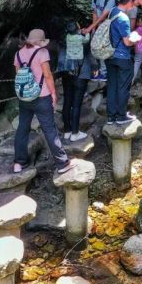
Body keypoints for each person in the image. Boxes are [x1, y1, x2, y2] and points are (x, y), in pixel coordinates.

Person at [13, 29, 72, 174]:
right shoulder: (42, 53)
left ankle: (19, 163)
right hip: (42, 96)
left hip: (25, 98)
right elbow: (47, 75)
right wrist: (53, 93)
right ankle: (62, 163)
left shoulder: (18, 54)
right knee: (49, 129)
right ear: (40, 42)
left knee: (23, 128)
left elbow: (18, 76)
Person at [106, 0, 141, 124]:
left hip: (109, 55)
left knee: (112, 86)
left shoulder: (112, 12)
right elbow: (127, 42)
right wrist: (136, 39)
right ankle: (121, 116)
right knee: (123, 87)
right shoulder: (123, 18)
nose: (134, 5)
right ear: (130, 1)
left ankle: (111, 117)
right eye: (133, 2)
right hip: (122, 57)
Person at [56, 21, 93, 142]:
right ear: (77, 28)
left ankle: (67, 130)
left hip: (67, 73)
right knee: (76, 104)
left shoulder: (64, 40)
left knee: (67, 101)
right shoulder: (81, 39)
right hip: (81, 74)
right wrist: (86, 33)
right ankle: (75, 133)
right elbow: (89, 52)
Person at [88, 0, 116, 80]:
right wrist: (93, 29)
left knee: (103, 49)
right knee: (96, 49)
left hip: (107, 28)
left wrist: (89, 28)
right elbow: (95, 13)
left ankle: (105, 72)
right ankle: (100, 70)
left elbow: (103, 16)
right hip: (99, 27)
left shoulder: (110, 0)